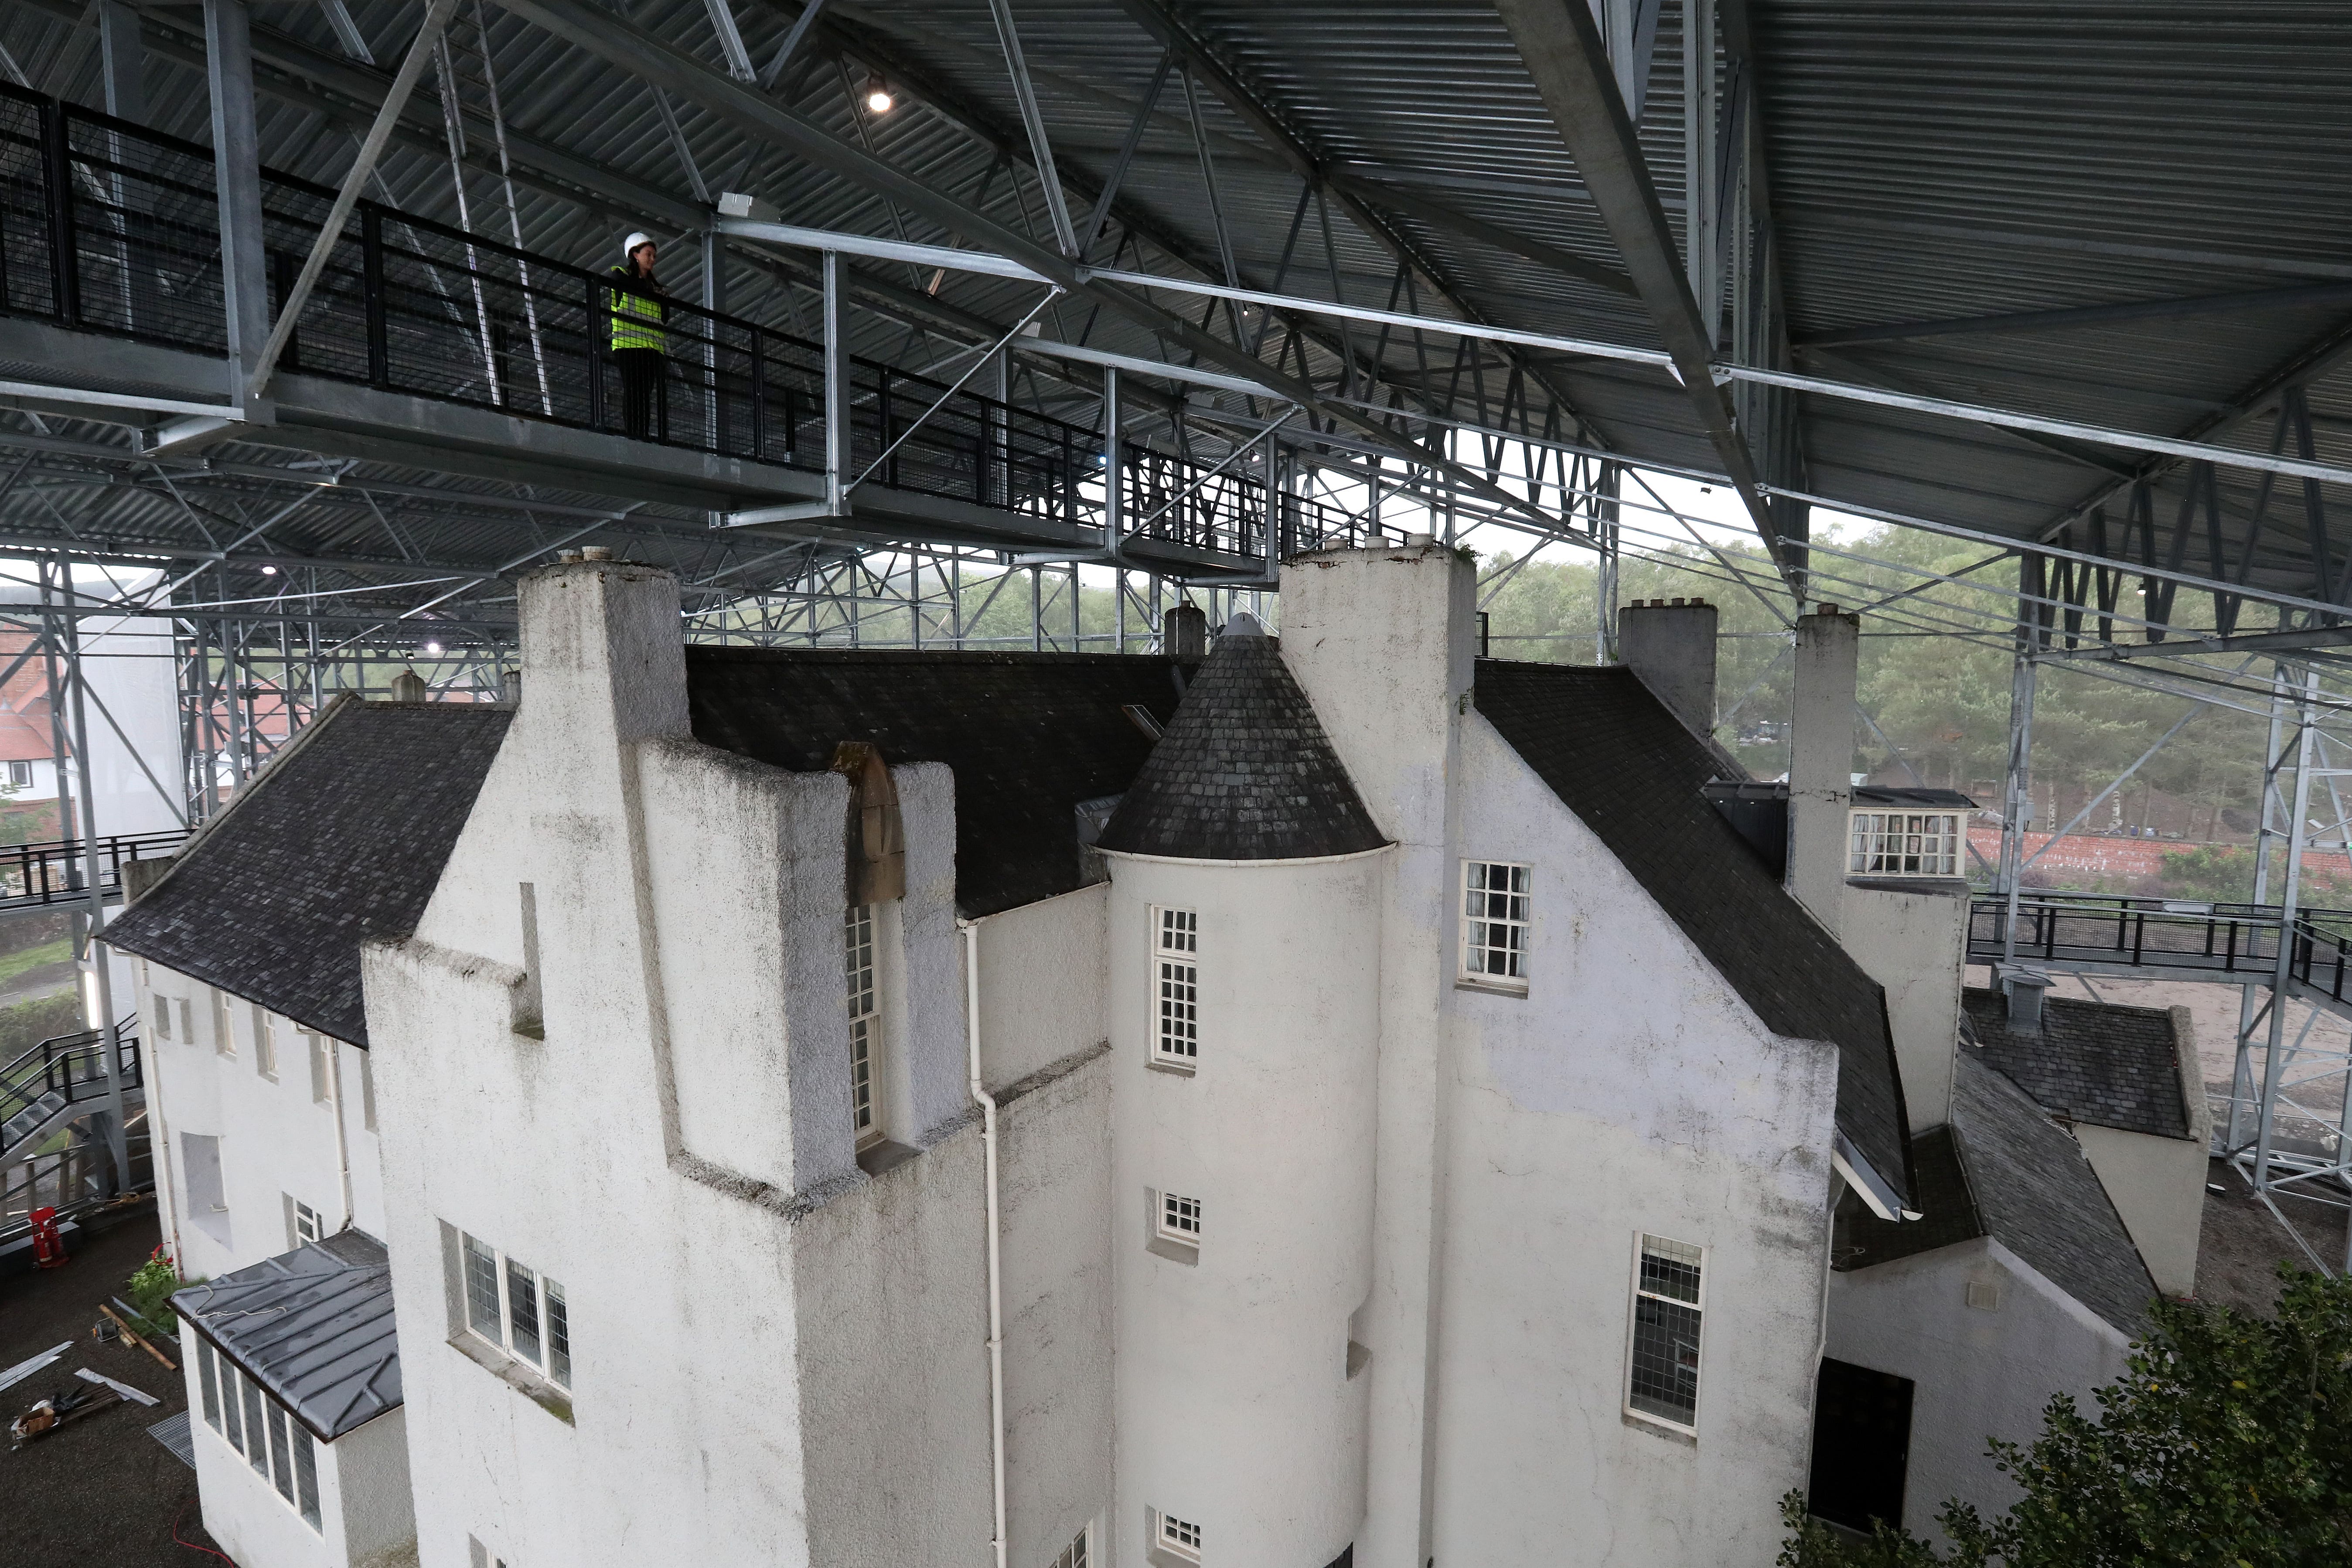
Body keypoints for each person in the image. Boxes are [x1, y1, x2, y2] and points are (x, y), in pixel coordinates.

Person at [607, 232, 668, 441]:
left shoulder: (655, 288)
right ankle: (633, 435)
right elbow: (624, 283)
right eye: (648, 254)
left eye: (654, 256)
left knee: (644, 396)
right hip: (628, 347)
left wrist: (659, 294)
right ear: (635, 255)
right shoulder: (620, 276)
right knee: (634, 392)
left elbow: (665, 317)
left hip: (651, 351)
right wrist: (655, 292)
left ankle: (642, 435)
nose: (653, 259)